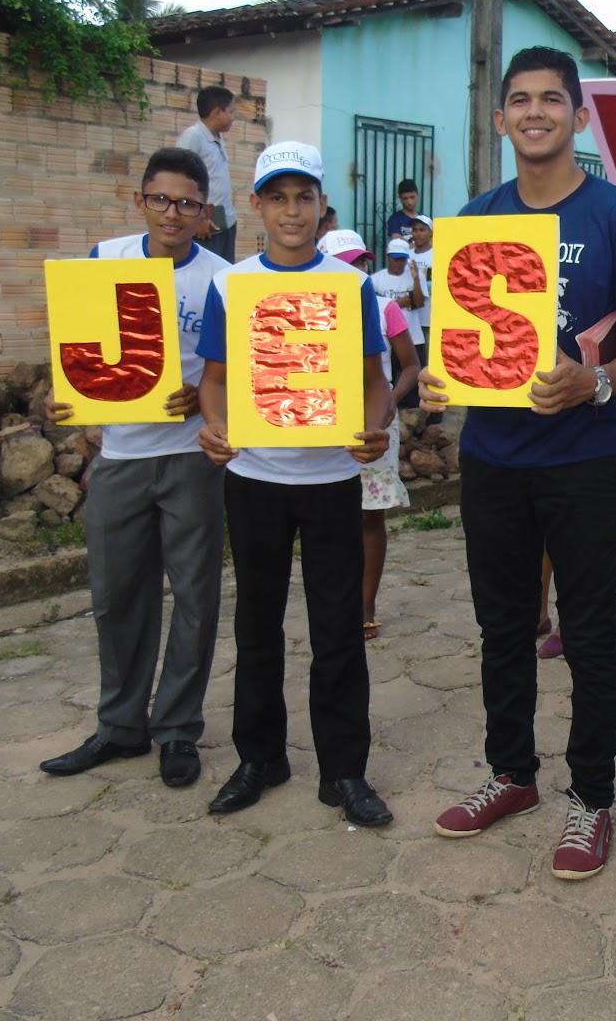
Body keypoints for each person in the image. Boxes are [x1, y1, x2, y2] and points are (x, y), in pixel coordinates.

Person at [420, 46, 616, 881]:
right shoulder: (477, 219)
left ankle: (590, 797)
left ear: (578, 116)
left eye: (552, 99)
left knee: (592, 633)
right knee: (503, 627)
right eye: (520, 100)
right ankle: (512, 775)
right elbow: (459, 343)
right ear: (500, 119)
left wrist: (592, 381)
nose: (535, 113)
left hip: (587, 459)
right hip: (492, 456)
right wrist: (435, 375)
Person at [194, 141, 396, 828]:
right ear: (257, 206)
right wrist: (214, 430)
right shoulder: (233, 284)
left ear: (320, 206)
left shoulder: (351, 285)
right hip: (254, 479)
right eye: (277, 198)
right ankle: (260, 758)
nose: (291, 211)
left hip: (333, 479)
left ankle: (344, 771)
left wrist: (374, 428)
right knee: (257, 623)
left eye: (303, 197)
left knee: (338, 629)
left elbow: (375, 384)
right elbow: (214, 383)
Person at [39, 148, 230, 789]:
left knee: (196, 597)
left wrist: (200, 394)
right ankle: (120, 726)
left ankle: (177, 729)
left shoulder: (221, 279)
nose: (172, 212)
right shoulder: (104, 259)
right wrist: (66, 390)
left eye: (187, 203)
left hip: (189, 458)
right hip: (121, 456)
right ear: (139, 200)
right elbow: (81, 345)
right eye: (160, 199)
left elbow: (228, 372)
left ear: (206, 213)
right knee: (117, 596)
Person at [321, 228, 421, 639]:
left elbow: (410, 364)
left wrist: (391, 400)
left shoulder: (383, 309)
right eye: (347, 265)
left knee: (368, 514)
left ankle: (364, 606)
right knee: (327, 515)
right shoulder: (315, 308)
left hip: (374, 422)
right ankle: (332, 599)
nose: (357, 271)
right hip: (323, 420)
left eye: (360, 262)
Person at [176, 86, 237, 263]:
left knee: (225, 272)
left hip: (223, 218)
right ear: (218, 112)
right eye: (231, 112)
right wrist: (199, 218)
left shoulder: (217, 138)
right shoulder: (193, 136)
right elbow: (180, 181)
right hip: (206, 220)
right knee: (207, 272)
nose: (233, 118)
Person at [370, 237, 426, 407]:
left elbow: (418, 302)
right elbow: (375, 307)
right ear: (388, 257)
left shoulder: (415, 277)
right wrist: (399, 302)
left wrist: (416, 279)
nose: (399, 263)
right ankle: (391, 405)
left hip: (413, 335)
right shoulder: (376, 279)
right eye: (396, 258)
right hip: (387, 336)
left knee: (414, 378)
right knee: (391, 375)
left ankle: (416, 415)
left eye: (403, 259)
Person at [408, 216, 434, 377]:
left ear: (431, 232)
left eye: (422, 230)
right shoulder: (407, 255)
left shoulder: (437, 254)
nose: (418, 234)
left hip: (430, 315)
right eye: (415, 230)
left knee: (430, 359)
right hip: (411, 317)